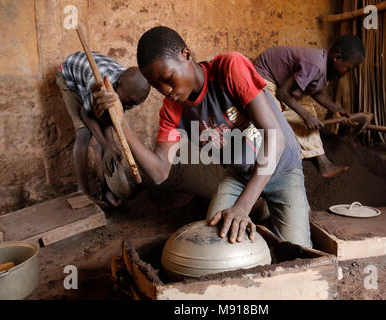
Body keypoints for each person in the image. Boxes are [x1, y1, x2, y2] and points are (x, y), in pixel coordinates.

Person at [93, 26, 312, 248]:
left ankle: (274, 207)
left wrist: (242, 207)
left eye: (167, 78)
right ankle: (261, 207)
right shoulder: (172, 109)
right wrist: (121, 123)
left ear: (186, 55)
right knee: (214, 246)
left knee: (297, 252)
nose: (165, 90)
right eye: (156, 86)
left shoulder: (229, 68)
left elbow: (275, 137)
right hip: (240, 176)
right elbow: (159, 173)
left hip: (283, 169)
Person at [253, 35, 365, 178]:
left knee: (306, 108)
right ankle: (264, 169)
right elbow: (282, 93)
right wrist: (305, 116)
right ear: (337, 57)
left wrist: (337, 109)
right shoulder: (316, 65)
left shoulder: (324, 67)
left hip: (280, 82)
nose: (347, 73)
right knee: (274, 119)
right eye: (348, 69)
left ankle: (324, 164)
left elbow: (316, 93)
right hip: (263, 77)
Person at [55, 51, 150, 206]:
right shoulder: (99, 85)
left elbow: (109, 119)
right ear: (116, 86)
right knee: (83, 133)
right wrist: (107, 144)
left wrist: (110, 145)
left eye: (130, 104)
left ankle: (107, 191)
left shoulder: (131, 94)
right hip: (69, 77)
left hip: (92, 84)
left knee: (108, 145)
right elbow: (85, 114)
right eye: (124, 102)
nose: (126, 106)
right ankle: (83, 192)